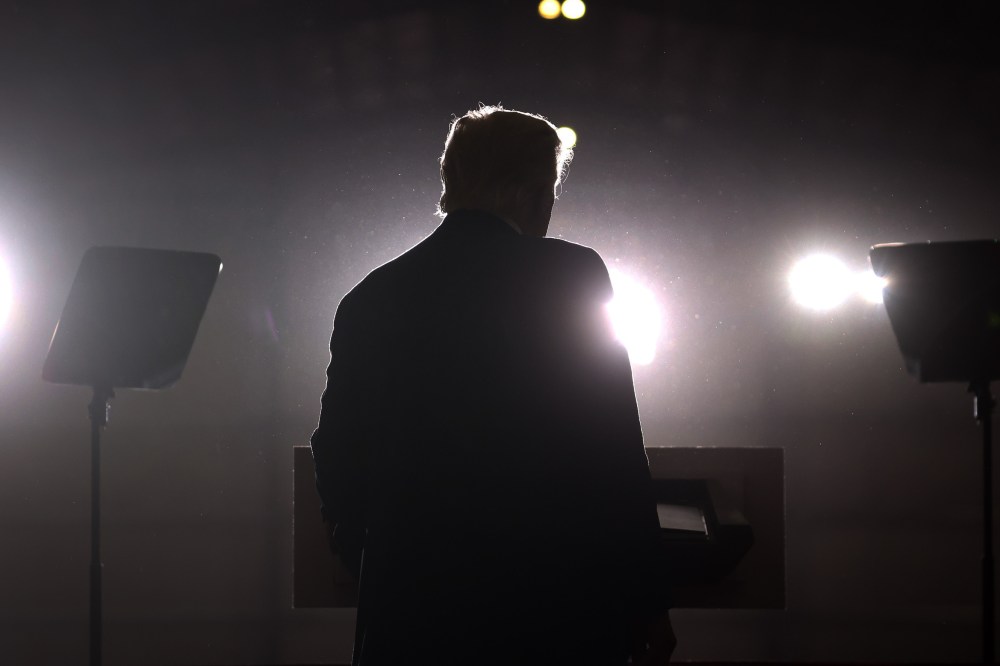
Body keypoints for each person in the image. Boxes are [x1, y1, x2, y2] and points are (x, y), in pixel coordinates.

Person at [310, 105, 675, 665]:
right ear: (530, 191)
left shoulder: (370, 296)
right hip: (556, 605)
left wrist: (374, 554)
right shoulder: (570, 275)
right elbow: (614, 444)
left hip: (412, 611)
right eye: (550, 193)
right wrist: (647, 598)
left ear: (451, 181)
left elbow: (336, 450)